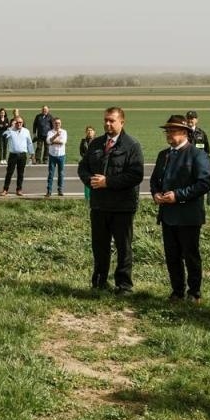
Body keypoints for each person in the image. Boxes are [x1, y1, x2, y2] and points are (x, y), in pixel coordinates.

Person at [78, 107, 145, 294]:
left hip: (122, 206)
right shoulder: (96, 144)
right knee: (99, 246)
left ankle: (124, 285)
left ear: (122, 122)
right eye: (105, 120)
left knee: (123, 247)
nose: (107, 124)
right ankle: (99, 282)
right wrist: (90, 181)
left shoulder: (132, 146)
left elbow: (136, 175)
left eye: (112, 121)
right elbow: (83, 167)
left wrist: (108, 182)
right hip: (99, 205)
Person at [151, 114, 210, 302]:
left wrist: (178, 195)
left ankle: (194, 292)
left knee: (190, 256)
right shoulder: (164, 155)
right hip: (168, 215)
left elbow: (204, 184)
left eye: (173, 131)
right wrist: (156, 194)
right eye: (167, 131)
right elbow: (154, 180)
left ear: (185, 132)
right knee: (172, 256)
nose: (169, 134)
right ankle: (177, 291)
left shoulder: (197, 155)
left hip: (188, 215)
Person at [2, 116, 33, 196]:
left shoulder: (26, 131)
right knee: (9, 173)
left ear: (22, 123)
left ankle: (19, 189)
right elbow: (3, 136)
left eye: (20, 122)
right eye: (17, 122)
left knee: (20, 173)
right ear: (14, 123)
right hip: (13, 155)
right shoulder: (10, 130)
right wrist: (11, 128)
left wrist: (32, 154)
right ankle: (5, 189)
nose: (19, 124)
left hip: (22, 155)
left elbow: (29, 143)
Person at [45, 117, 68, 197]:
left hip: (61, 155)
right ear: (53, 124)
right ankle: (49, 190)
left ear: (60, 124)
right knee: (51, 174)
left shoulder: (64, 132)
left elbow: (63, 142)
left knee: (61, 174)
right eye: (56, 123)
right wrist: (56, 136)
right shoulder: (50, 132)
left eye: (59, 123)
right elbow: (48, 141)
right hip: (52, 155)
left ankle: (60, 190)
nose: (57, 124)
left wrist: (53, 141)